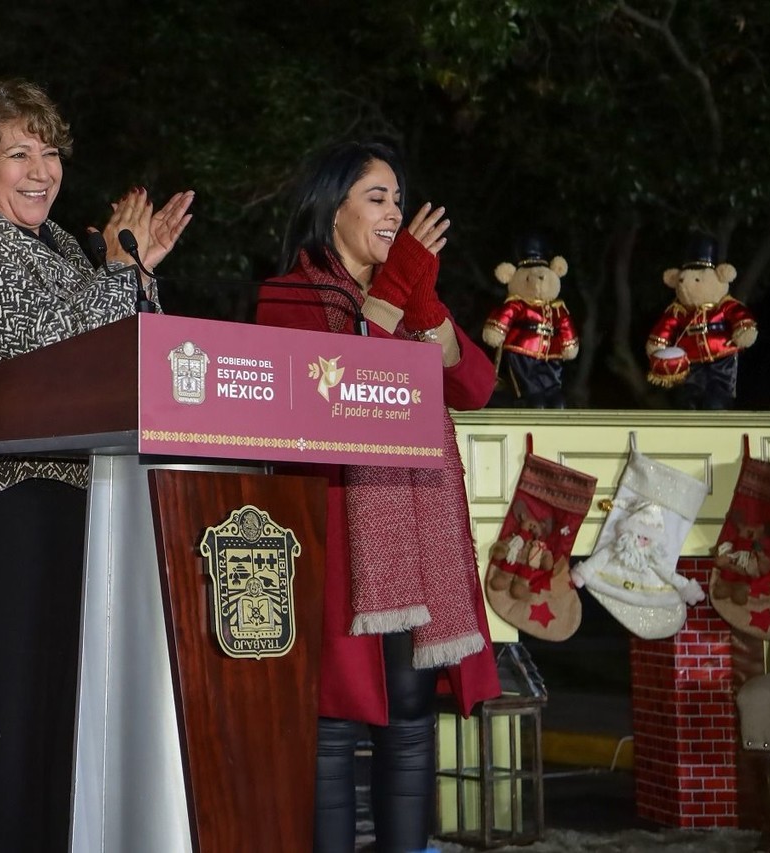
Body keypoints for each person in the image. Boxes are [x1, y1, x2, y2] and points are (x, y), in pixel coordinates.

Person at [0, 78, 193, 853]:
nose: (42, 169)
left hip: (84, 496)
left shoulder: (63, 244)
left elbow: (132, 359)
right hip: (1, 502)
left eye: (51, 150)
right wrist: (115, 273)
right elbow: (48, 352)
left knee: (69, 733)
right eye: (18, 152)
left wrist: (138, 275)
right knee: (13, 733)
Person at [254, 139, 500, 853]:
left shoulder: (407, 291)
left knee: (412, 711)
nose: (395, 211)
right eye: (377, 197)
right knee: (333, 722)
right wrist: (396, 291)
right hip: (333, 535)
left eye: (398, 196)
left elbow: (474, 387)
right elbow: (347, 385)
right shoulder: (290, 297)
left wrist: (417, 295)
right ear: (332, 210)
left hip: (417, 541)